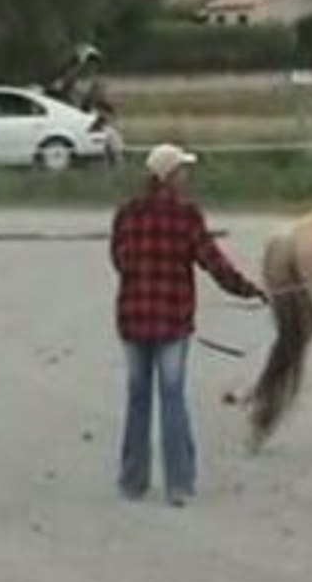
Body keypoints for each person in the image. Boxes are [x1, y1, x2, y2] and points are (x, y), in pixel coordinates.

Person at [110, 144, 266, 506]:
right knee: (172, 397)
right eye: (182, 169)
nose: (187, 176)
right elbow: (214, 264)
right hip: (172, 320)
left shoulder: (127, 213)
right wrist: (249, 291)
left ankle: (133, 482)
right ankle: (179, 483)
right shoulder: (186, 215)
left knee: (138, 399)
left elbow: (119, 260)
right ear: (169, 175)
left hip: (133, 318)